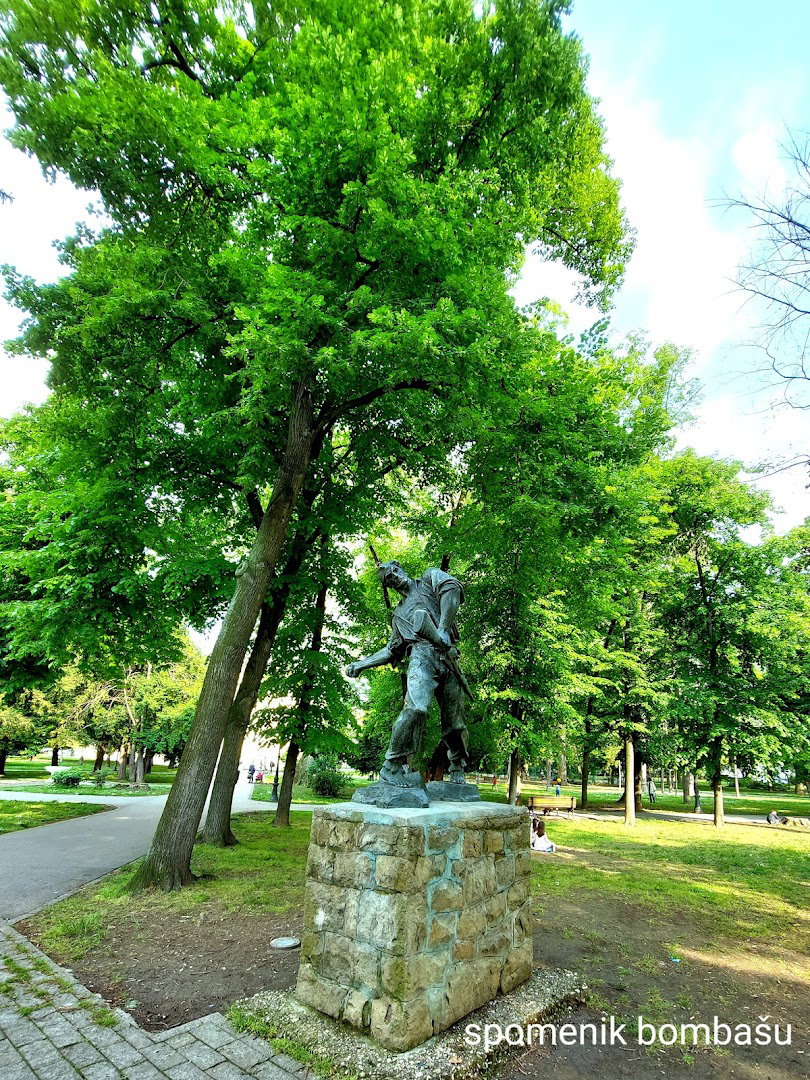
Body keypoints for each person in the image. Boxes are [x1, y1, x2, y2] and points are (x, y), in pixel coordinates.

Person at [346, 561, 470, 786]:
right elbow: (392, 650)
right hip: (421, 657)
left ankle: (457, 763)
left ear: (401, 568)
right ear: (388, 586)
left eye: (394, 570)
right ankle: (392, 764)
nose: (394, 576)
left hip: (449, 656)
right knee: (415, 708)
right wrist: (362, 663)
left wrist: (442, 629)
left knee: (454, 723)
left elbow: (452, 588)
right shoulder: (400, 616)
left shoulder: (429, 578)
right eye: (388, 578)